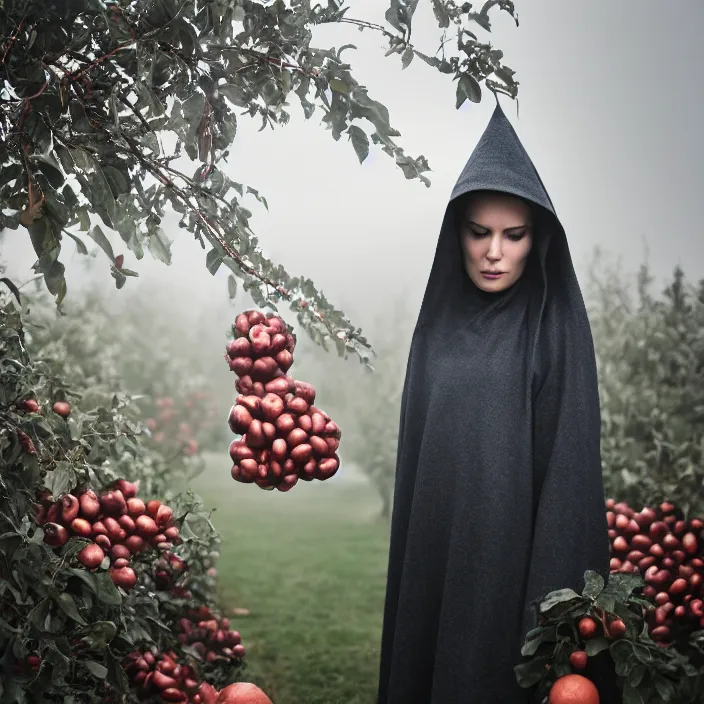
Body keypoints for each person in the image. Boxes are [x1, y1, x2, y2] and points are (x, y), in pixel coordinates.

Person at [376, 103, 611, 703]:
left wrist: (552, 611)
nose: (493, 252)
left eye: (514, 235)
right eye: (479, 232)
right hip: (437, 547)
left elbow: (571, 475)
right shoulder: (436, 331)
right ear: (458, 232)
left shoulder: (553, 327)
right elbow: (418, 474)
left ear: (538, 239)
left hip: (511, 563)